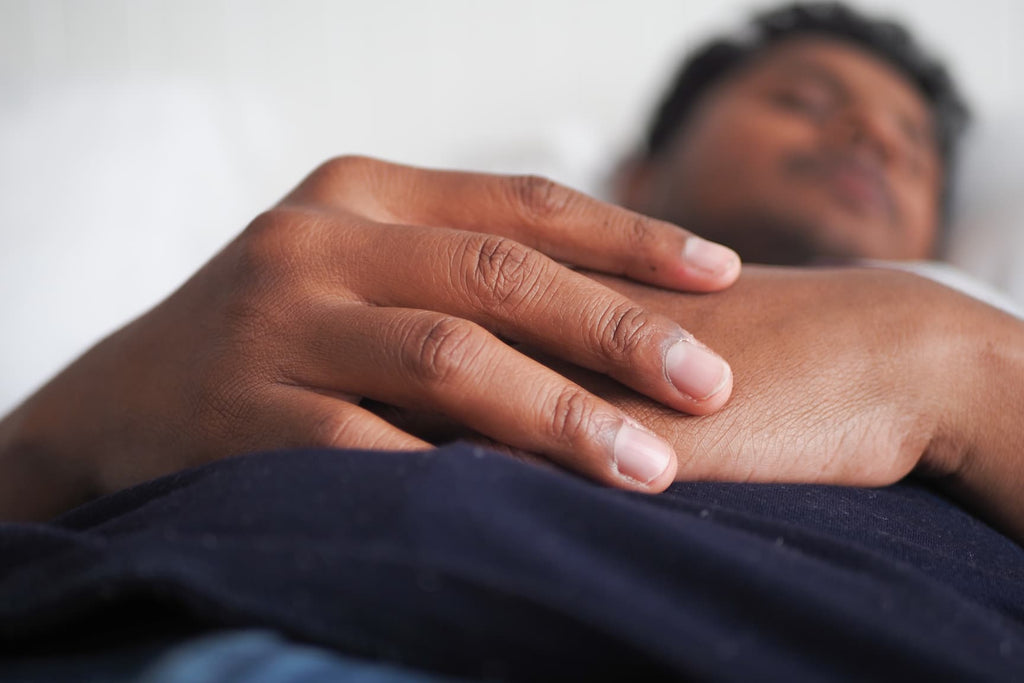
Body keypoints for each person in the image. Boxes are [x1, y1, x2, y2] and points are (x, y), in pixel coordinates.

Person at [1, 3, 1023, 680]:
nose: (868, 138)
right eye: (804, 100)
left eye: (910, 147)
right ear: (634, 172)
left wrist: (957, 359)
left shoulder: (982, 334)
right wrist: (53, 434)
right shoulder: (378, 271)